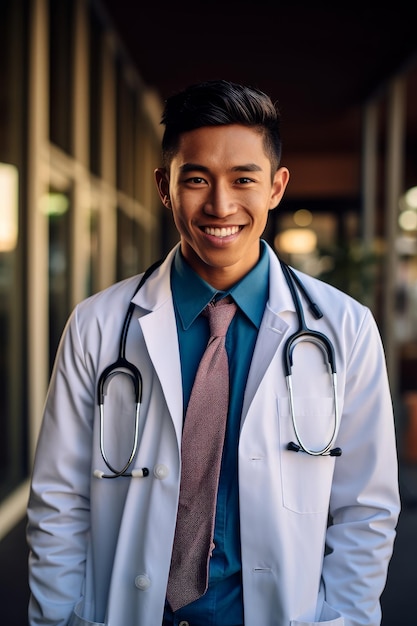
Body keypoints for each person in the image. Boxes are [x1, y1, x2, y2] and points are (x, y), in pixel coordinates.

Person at [27, 79, 400, 626]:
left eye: (243, 179)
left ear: (276, 187)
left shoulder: (345, 329)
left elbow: (365, 510)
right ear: (164, 187)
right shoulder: (97, 325)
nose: (220, 204)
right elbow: (59, 501)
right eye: (196, 179)